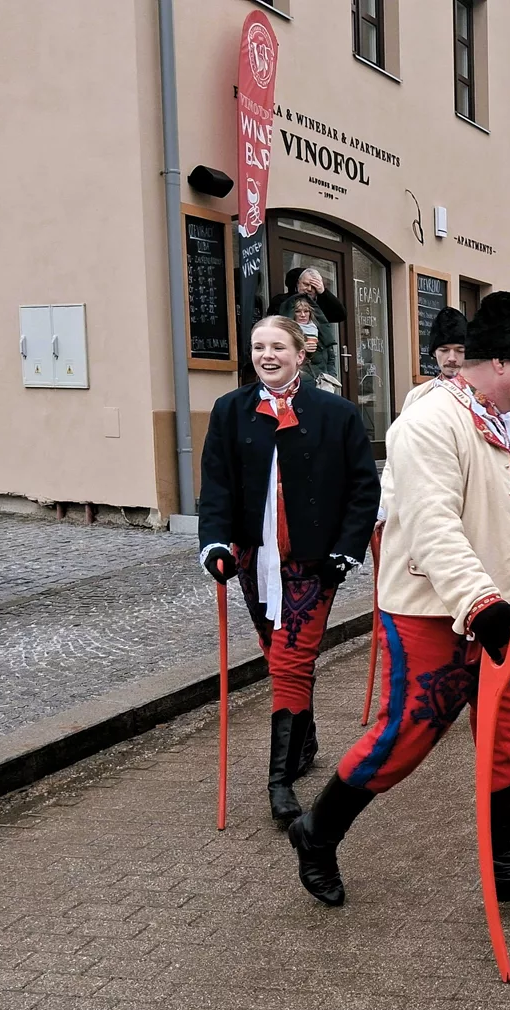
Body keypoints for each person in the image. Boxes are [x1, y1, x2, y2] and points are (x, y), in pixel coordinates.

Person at [287, 292, 510, 909]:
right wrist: (481, 602)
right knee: (407, 735)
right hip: (434, 611)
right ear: (500, 363)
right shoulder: (427, 422)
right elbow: (432, 525)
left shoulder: (502, 420)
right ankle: (317, 832)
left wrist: (502, 599)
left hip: (498, 611)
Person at [198, 316, 380, 829]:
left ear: (301, 354)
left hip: (313, 562)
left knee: (292, 661)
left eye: (278, 346)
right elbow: (216, 484)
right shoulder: (230, 410)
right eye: (259, 346)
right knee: (278, 655)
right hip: (254, 559)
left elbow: (362, 487)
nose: (267, 355)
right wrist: (214, 542)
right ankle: (304, 740)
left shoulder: (337, 413)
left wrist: (347, 550)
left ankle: (279, 783)